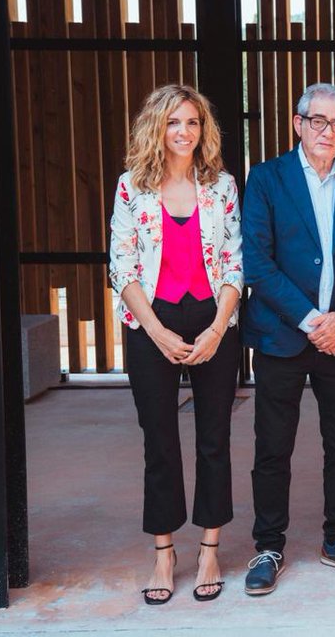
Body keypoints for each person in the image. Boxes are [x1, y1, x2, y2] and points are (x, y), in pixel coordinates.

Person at [240, 83, 335, 595]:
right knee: (272, 447)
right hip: (283, 335)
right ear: (298, 123)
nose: (329, 132)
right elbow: (256, 260)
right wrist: (312, 320)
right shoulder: (265, 179)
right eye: (319, 121)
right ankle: (269, 545)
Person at [109, 84, 242, 605]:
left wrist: (216, 327)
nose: (183, 132)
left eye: (192, 122)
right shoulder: (131, 187)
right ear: (156, 129)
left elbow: (235, 260)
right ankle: (164, 552)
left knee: (214, 438)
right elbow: (121, 265)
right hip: (150, 321)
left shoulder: (223, 186)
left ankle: (209, 546)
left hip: (213, 318)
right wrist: (158, 331)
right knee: (159, 440)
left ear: (203, 129)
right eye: (172, 122)